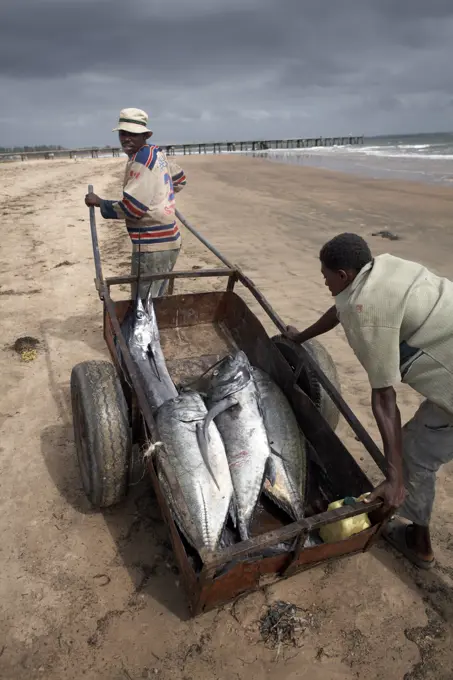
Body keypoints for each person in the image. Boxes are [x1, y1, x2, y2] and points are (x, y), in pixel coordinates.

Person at [286, 232, 453, 569]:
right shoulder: (384, 269)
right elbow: (339, 310)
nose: (324, 283)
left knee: (413, 458)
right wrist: (300, 337)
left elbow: (383, 398)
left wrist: (393, 477)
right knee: (414, 443)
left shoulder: (365, 309)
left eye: (325, 277)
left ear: (344, 275)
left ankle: (419, 544)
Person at [85, 108, 187, 299]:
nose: (126, 138)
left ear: (144, 136)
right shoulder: (156, 153)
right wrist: (159, 193)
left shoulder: (141, 161)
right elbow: (180, 179)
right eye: (123, 133)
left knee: (144, 303)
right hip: (171, 240)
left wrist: (100, 203)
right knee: (156, 298)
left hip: (152, 245)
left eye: (133, 134)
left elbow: (133, 209)